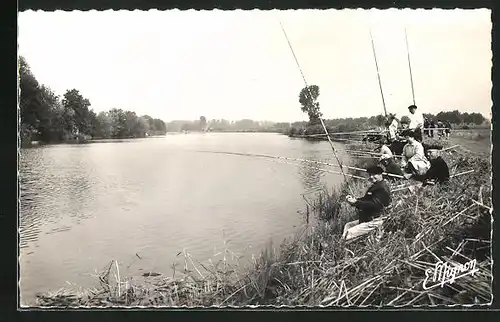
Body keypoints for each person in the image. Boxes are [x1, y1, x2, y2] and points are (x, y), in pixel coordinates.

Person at [342, 165, 392, 242]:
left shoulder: (382, 188)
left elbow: (374, 205)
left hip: (375, 220)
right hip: (367, 219)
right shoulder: (376, 186)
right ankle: (345, 241)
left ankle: (343, 244)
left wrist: (356, 202)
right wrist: (354, 201)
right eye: (370, 175)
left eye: (374, 174)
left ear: (380, 174)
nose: (371, 177)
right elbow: (366, 200)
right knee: (348, 225)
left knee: (349, 232)